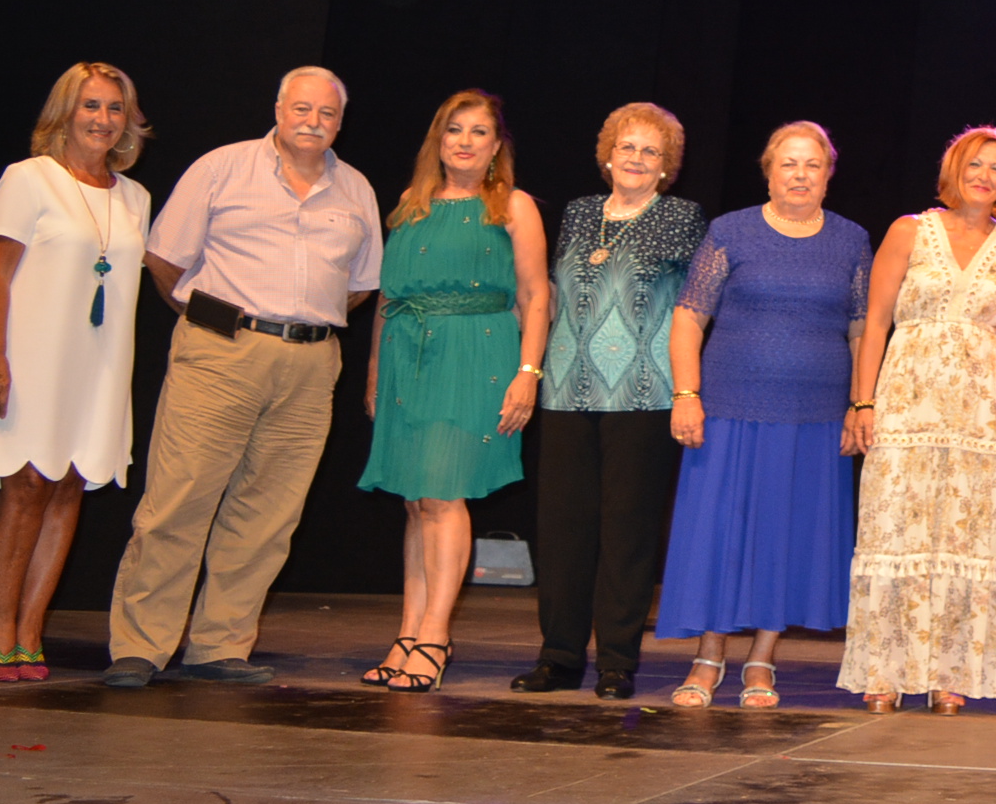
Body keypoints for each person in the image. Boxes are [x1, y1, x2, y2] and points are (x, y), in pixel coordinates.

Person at [103, 67, 382, 689]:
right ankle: (141, 646)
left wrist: (298, 322)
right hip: (221, 352)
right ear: (279, 109)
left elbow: (361, 286)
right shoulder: (221, 168)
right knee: (179, 499)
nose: (312, 121)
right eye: (302, 108)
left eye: (327, 113)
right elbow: (164, 260)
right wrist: (216, 321)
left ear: (340, 122)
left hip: (311, 363)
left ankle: (219, 645)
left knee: (268, 514)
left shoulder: (355, 188)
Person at [658, 122, 872, 710]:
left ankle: (762, 658)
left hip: (815, 417)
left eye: (812, 165)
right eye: (788, 163)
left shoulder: (851, 240)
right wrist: (686, 394)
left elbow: (862, 331)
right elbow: (688, 318)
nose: (800, 175)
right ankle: (708, 655)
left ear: (828, 174)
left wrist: (860, 404)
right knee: (720, 534)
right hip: (730, 409)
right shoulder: (730, 231)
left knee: (787, 535)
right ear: (768, 171)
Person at [356, 90, 551, 693]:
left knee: (443, 495)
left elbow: (536, 296)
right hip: (407, 360)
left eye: (478, 131)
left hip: (475, 356)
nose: (465, 141)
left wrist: (528, 372)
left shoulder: (513, 206)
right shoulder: (409, 205)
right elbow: (388, 298)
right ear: (437, 140)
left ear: (496, 146)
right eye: (454, 130)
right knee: (417, 501)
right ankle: (408, 632)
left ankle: (435, 636)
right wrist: (374, 371)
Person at [514, 103, 704, 702]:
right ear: (608, 155)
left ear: (666, 165)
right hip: (565, 389)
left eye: (651, 151)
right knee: (563, 528)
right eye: (627, 147)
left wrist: (688, 390)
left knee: (627, 531)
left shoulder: (681, 217)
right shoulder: (577, 213)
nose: (637, 159)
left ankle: (617, 662)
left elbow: (694, 308)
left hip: (643, 393)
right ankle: (559, 656)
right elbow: (549, 295)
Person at [840, 126, 996, 713]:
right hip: (907, 399)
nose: (985, 176)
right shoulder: (910, 230)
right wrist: (862, 401)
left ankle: (953, 672)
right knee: (896, 524)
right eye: (975, 164)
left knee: (967, 532)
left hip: (983, 411)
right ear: (953, 170)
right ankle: (884, 669)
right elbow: (875, 322)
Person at [0, 63, 154, 682]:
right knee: (27, 483)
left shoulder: (135, 197)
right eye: (90, 105)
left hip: (100, 363)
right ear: (65, 112)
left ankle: (31, 633)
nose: (103, 119)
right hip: (32, 355)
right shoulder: (28, 179)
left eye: (115, 108)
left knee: (69, 484)